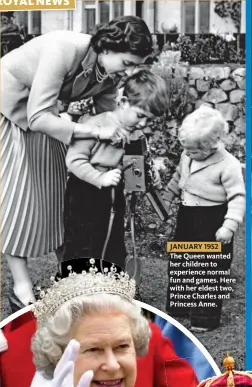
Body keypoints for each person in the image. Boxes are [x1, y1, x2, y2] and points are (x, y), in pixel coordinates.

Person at [0, 16, 153, 312]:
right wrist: (94, 132)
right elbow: (37, 116)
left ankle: (72, 274)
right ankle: (21, 284)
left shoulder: (109, 74)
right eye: (128, 63)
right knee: (19, 196)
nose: (130, 71)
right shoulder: (63, 48)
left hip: (45, 116)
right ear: (107, 49)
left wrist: (124, 145)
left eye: (136, 65)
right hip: (8, 108)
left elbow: (111, 118)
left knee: (57, 191)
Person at [0, 261, 199, 387]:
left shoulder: (147, 337)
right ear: (57, 355)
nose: (112, 365)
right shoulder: (9, 351)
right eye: (93, 349)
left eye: (122, 347)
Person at [62, 69, 168, 269]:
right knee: (84, 242)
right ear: (123, 102)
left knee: (113, 238)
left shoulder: (136, 133)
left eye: (150, 120)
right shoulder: (96, 125)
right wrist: (99, 178)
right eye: (140, 115)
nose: (144, 123)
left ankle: (111, 288)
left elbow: (136, 166)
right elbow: (74, 161)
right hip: (84, 191)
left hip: (113, 191)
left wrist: (148, 177)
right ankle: (78, 290)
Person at [163, 105, 245, 331]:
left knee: (207, 267)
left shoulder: (228, 165)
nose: (188, 154)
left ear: (213, 144)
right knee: (181, 259)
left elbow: (238, 197)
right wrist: (167, 198)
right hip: (187, 215)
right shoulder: (187, 155)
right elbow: (178, 176)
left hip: (212, 219)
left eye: (193, 151)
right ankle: (181, 304)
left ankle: (204, 317)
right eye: (185, 149)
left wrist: (229, 226)